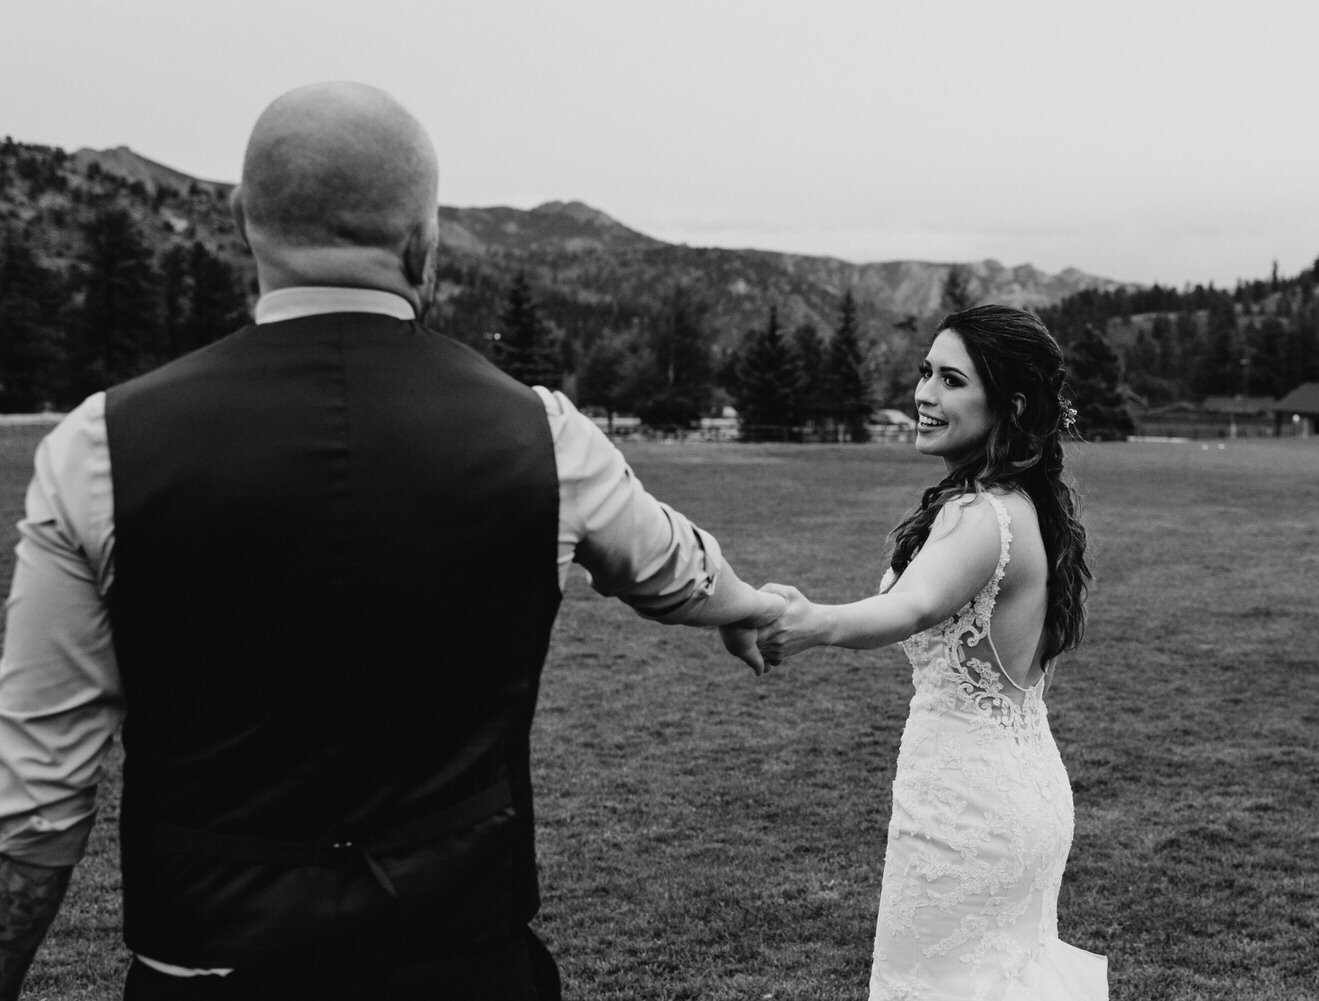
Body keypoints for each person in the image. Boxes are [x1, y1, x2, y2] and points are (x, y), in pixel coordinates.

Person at [0, 82, 784, 1001]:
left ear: (246, 221)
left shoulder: (99, 445)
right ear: (427, 238)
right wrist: (747, 604)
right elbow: (676, 570)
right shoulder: (542, 432)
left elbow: (34, 806)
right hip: (462, 957)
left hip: (208, 959)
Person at [757, 305, 1107, 999]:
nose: (924, 394)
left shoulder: (983, 516)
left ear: (1007, 404)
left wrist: (809, 622)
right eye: (925, 373)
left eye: (951, 380)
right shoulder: (1022, 502)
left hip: (967, 812)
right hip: (1016, 789)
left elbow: (908, 607)